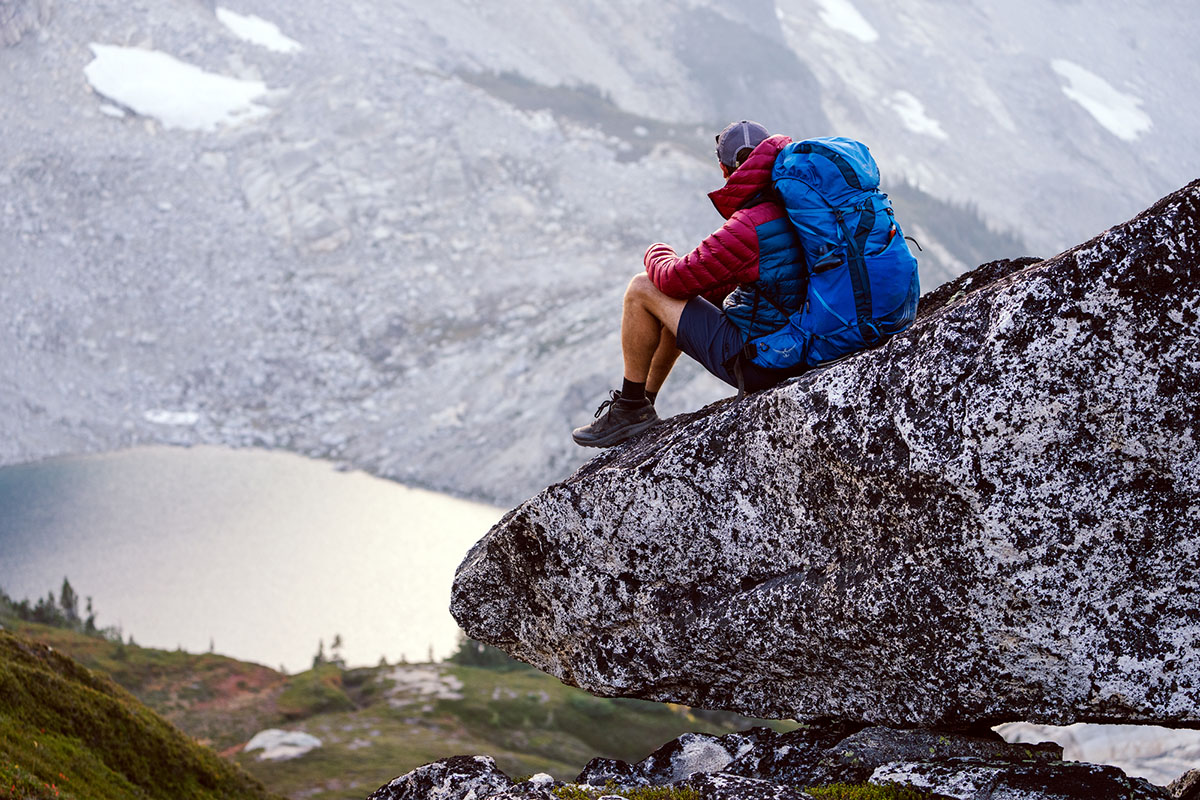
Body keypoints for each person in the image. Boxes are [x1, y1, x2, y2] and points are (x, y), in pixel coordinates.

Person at [572, 120, 809, 448]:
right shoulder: (796, 209)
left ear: (725, 170)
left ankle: (631, 406)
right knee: (691, 294)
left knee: (643, 288)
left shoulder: (751, 224)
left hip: (765, 362)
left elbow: (672, 279)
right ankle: (642, 403)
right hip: (799, 347)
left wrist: (657, 249)